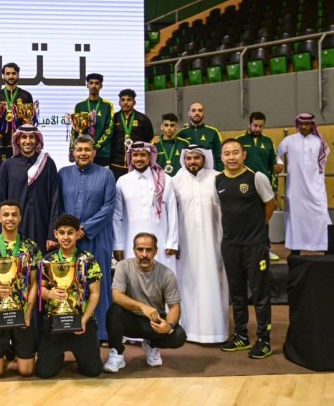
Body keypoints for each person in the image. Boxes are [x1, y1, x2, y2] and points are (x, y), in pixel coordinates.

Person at [217, 138, 276, 359]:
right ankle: (241, 336)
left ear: (244, 155)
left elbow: (270, 204)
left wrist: (258, 229)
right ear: (221, 157)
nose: (231, 157)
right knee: (237, 293)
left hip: (254, 245)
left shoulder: (256, 177)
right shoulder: (218, 180)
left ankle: (264, 340)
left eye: (235, 152)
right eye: (226, 153)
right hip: (230, 245)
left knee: (260, 294)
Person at [0, 200, 42, 378]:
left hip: (21, 313)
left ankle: (14, 350)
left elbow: (34, 283)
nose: (10, 218)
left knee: (27, 371)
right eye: (6, 215)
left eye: (14, 215)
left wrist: (28, 313)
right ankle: (5, 350)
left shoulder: (31, 247)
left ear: (20, 218)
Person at [58, 134, 116, 343]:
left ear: (94, 152)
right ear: (73, 152)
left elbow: (109, 207)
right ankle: (69, 328)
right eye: (79, 149)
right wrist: (69, 231)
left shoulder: (106, 174)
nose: (83, 153)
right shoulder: (63, 174)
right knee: (69, 283)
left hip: (98, 237)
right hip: (69, 240)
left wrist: (84, 229)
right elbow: (58, 204)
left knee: (98, 283)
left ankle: (101, 333)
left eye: (87, 150)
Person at [103, 232, 186, 372]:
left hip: (154, 322)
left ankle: (152, 344)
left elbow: (174, 307)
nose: (144, 254)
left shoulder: (167, 274)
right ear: (134, 250)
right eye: (140, 249)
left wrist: (169, 325)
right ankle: (117, 353)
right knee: (114, 311)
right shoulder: (123, 266)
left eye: (149, 250)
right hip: (130, 320)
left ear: (156, 251)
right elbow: (116, 296)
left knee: (179, 336)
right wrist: (142, 307)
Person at [172, 146, 229, 344]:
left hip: (213, 241)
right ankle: (188, 329)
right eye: (188, 158)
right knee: (188, 284)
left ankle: (215, 331)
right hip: (185, 243)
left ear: (205, 159)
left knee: (212, 283)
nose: (192, 162)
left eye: (196, 158)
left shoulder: (217, 178)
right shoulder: (176, 181)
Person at [36, 214, 103, 378]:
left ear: (78, 234)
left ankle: (81, 353)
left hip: (81, 321)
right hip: (55, 321)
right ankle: (56, 355)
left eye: (70, 232)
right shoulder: (48, 260)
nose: (66, 237)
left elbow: (95, 294)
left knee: (93, 371)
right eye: (62, 233)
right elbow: (40, 290)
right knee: (44, 372)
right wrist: (49, 293)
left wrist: (84, 320)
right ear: (56, 234)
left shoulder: (88, 260)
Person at [112, 142, 179, 275]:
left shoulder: (165, 179)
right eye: (135, 155)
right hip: (130, 241)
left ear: (150, 157)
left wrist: (172, 242)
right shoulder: (122, 181)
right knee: (133, 277)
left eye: (143, 155)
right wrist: (118, 245)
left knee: (162, 278)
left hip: (161, 241)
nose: (139, 159)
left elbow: (172, 212)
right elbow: (117, 216)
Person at [0, 124, 59, 255]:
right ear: (18, 140)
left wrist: (52, 234)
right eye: (24, 137)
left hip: (42, 228)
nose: (28, 141)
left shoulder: (48, 164)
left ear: (37, 140)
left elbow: (55, 200)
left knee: (41, 266)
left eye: (31, 137)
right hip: (15, 228)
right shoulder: (8, 166)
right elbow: (0, 202)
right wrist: (2, 234)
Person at [276, 113, 331, 254]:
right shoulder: (289, 140)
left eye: (307, 124)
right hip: (296, 189)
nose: (304, 126)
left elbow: (322, 161)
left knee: (321, 217)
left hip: (315, 188)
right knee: (296, 220)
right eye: (301, 124)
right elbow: (277, 154)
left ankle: (326, 252)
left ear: (312, 125)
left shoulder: (319, 142)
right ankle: (295, 253)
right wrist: (279, 163)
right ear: (297, 124)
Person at [236, 111, 282, 261]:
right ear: (249, 124)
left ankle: (265, 248)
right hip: (243, 184)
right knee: (242, 217)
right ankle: (243, 249)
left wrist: (274, 188)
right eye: (255, 125)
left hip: (263, 185)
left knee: (263, 217)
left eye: (261, 126)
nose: (257, 129)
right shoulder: (240, 141)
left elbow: (273, 166)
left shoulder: (268, 142)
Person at [0, 63, 35, 164]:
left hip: (22, 142)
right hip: (4, 142)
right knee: (5, 169)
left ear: (18, 75)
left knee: (24, 169)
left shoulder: (26, 95)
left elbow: (32, 119)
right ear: (3, 76)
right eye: (8, 73)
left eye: (14, 73)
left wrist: (30, 123)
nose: (11, 76)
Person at [109, 89, 153, 180]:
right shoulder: (113, 118)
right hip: (116, 164)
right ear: (119, 102)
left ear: (134, 102)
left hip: (137, 164)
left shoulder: (143, 119)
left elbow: (148, 139)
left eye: (129, 100)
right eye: (123, 100)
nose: (125, 102)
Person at [72, 73, 114, 167]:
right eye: (91, 83)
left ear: (101, 86)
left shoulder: (107, 105)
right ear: (87, 85)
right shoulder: (79, 106)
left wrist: (96, 147)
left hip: (102, 153)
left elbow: (109, 129)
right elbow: (74, 130)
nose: (94, 86)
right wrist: (72, 148)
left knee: (102, 176)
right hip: (83, 152)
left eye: (97, 83)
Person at [178, 102, 223, 171]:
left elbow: (219, 156)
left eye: (200, 110)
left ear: (204, 114)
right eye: (193, 110)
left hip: (210, 173)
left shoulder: (213, 132)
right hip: (188, 173)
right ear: (189, 113)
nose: (197, 113)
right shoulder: (181, 133)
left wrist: (220, 173)